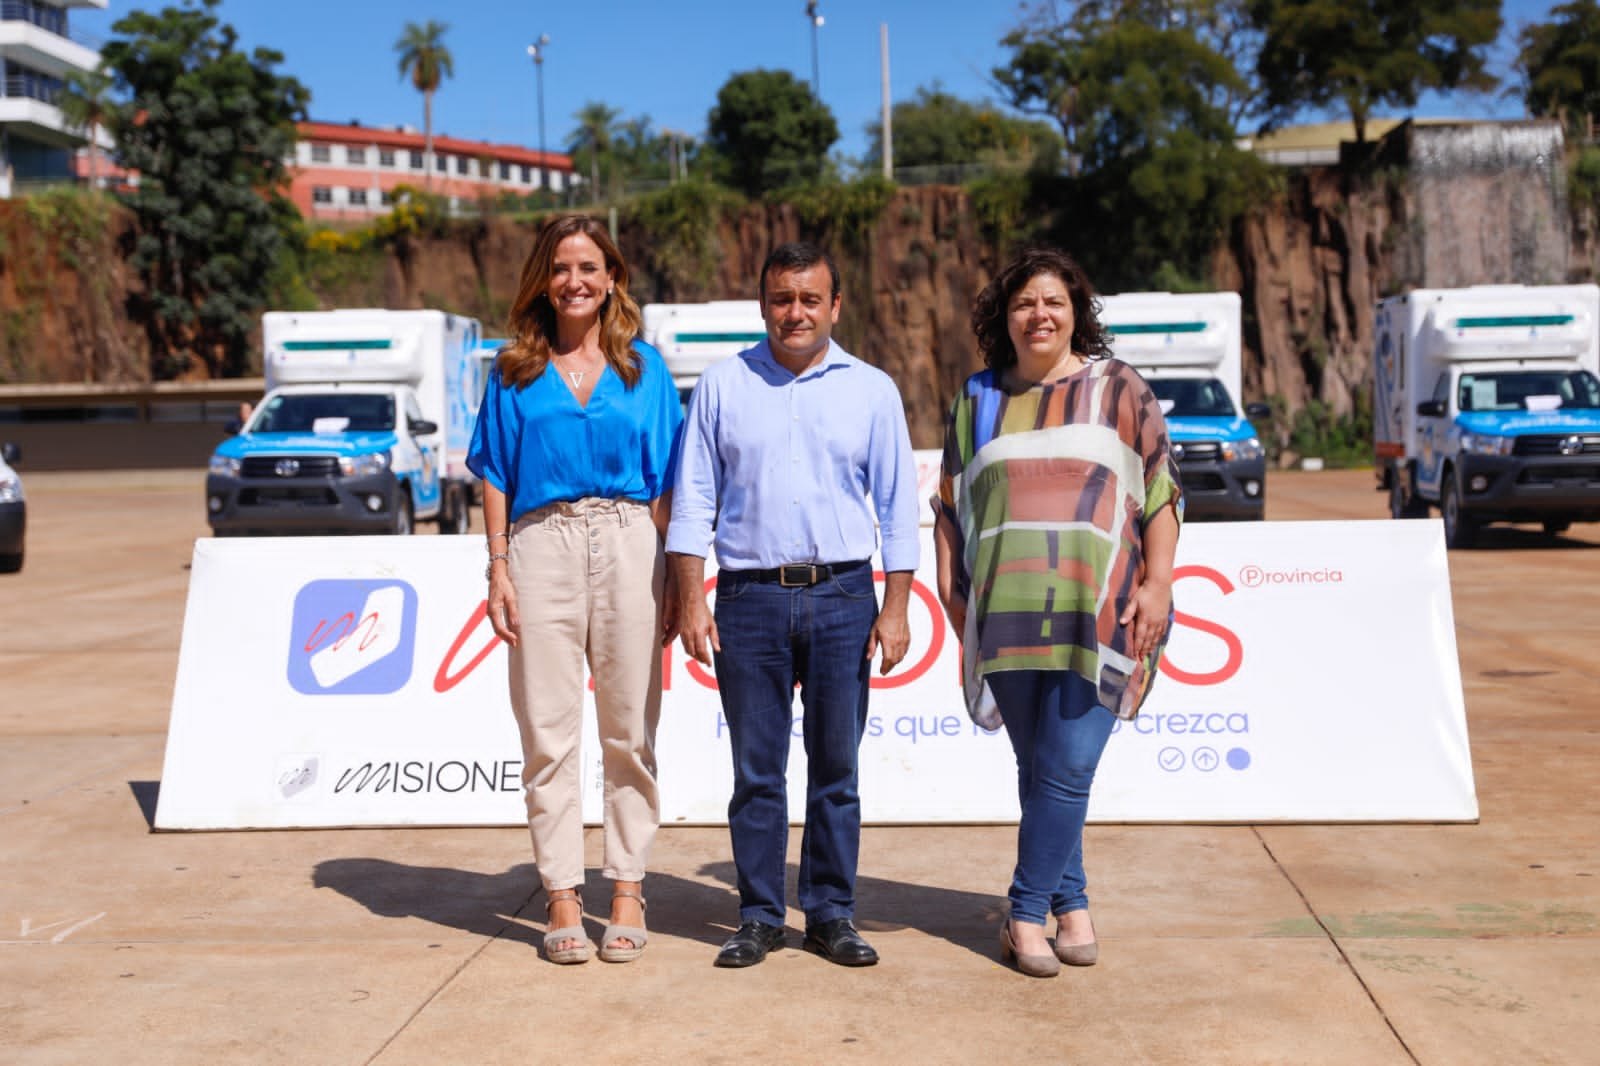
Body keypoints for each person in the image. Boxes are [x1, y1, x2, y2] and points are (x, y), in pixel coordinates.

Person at [667, 242, 920, 969]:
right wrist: (691, 597)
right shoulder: (721, 385)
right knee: (757, 771)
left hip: (845, 595)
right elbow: (693, 503)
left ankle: (832, 914)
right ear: (763, 305)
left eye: (811, 298)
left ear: (835, 307)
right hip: (748, 598)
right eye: (782, 298)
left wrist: (895, 607)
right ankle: (757, 916)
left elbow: (899, 510)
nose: (796, 312)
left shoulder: (873, 390)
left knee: (836, 767)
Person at [932, 246, 1182, 978]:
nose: (1038, 315)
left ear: (1077, 313)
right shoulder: (976, 399)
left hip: (1098, 609)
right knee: (1040, 769)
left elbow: (1162, 493)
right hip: (1004, 614)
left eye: (1053, 302)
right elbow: (951, 510)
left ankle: (1021, 914)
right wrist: (958, 612)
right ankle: (1070, 904)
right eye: (1022, 304)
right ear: (1002, 318)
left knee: (1069, 768)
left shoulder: (1120, 389)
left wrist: (1158, 584)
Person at [467, 214, 683, 966]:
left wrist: (677, 580)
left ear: (612, 277)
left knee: (629, 731)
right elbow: (494, 470)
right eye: (561, 267)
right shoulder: (513, 369)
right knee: (548, 736)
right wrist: (497, 567)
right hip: (539, 545)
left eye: (589, 266)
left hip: (630, 541)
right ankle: (562, 894)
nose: (575, 280)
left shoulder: (644, 369)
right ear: (543, 279)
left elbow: (666, 482)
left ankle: (627, 885)